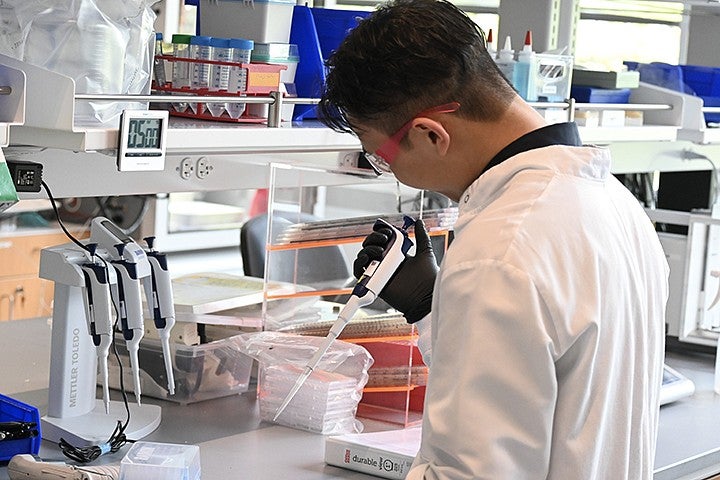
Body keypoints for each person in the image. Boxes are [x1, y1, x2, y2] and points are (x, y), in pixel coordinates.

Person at [317, 1, 670, 478]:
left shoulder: (498, 252)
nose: (392, 172)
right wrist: (431, 307)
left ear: (429, 134)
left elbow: (471, 472)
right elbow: (546, 387)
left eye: (378, 155)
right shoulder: (615, 203)